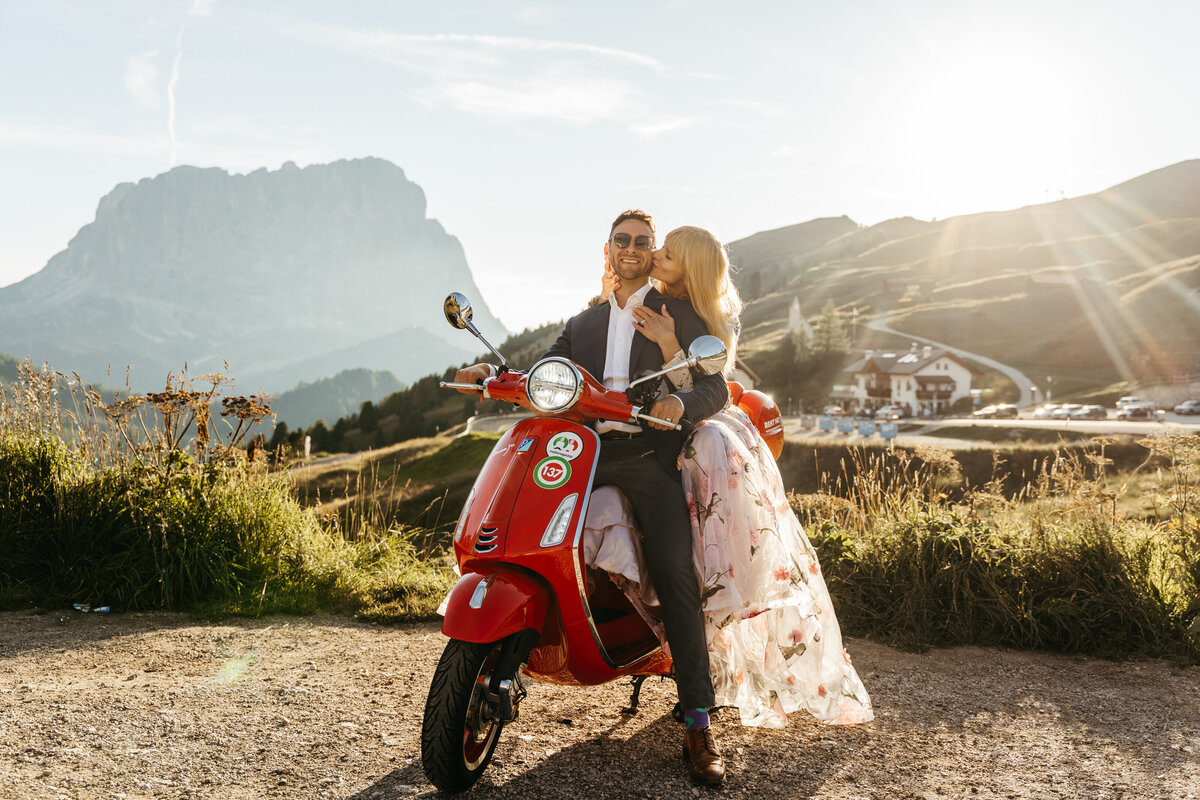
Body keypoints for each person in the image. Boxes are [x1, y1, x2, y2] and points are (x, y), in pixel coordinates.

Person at [453, 210, 730, 785]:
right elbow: (547, 371)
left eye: (642, 242)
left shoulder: (677, 315)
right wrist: (492, 369)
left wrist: (682, 405)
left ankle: (699, 721)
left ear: (651, 253)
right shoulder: (583, 323)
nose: (631, 248)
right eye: (622, 240)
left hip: (646, 454)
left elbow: (715, 384)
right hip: (581, 448)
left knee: (675, 571)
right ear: (608, 251)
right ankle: (538, 631)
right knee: (528, 524)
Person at [585, 225, 874, 728]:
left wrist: (673, 346)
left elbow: (708, 385)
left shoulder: (694, 314)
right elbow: (570, 354)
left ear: (687, 267)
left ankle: (701, 703)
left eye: (662, 251)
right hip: (624, 438)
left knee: (694, 563)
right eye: (635, 244)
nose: (651, 254)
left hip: (692, 440)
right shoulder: (611, 309)